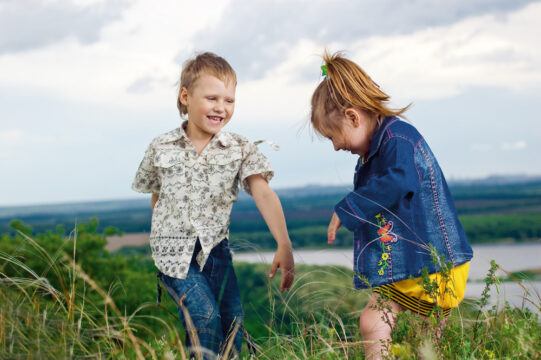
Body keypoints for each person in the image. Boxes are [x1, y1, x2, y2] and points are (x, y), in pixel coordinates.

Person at [310, 51, 473, 359]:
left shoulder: (399, 139)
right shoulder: (378, 146)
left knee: (424, 339)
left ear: (353, 117)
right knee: (373, 322)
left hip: (434, 263)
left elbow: (400, 181)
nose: (335, 146)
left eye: (334, 136)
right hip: (403, 260)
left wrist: (349, 207)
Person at [132, 52, 295, 359]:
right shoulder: (161, 146)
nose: (221, 107)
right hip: (173, 253)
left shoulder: (239, 148)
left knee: (232, 327)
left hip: (216, 251)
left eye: (229, 100)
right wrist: (167, 235)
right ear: (185, 97)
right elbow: (157, 195)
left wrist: (283, 243)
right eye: (211, 98)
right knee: (204, 318)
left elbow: (263, 194)